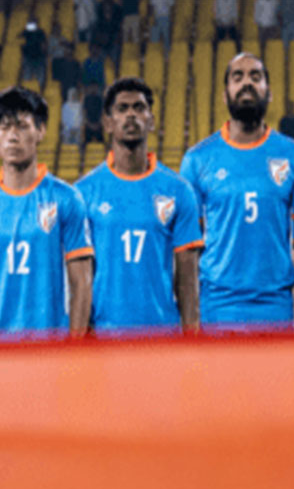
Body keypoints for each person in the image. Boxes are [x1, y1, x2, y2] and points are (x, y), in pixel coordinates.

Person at [179, 53, 294, 330]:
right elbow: (187, 249)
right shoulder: (197, 159)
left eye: (255, 77)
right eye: (238, 77)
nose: (246, 83)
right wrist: (190, 317)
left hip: (276, 306)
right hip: (218, 308)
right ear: (225, 95)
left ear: (269, 94)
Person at [0, 87, 93, 338]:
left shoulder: (66, 199)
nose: (13, 136)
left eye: (22, 126)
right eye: (4, 126)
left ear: (41, 130)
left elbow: (82, 282)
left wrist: (76, 350)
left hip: (49, 349)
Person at [77, 78, 202, 335]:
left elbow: (188, 281)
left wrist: (193, 341)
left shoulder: (178, 191)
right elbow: (80, 279)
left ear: (151, 121)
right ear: (108, 123)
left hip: (161, 337)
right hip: (104, 338)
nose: (131, 115)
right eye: (122, 109)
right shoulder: (83, 193)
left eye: (139, 108)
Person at [20, 19, 48, 84]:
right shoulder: (25, 32)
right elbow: (19, 40)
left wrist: (44, 54)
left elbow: (44, 45)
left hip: (39, 57)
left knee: (39, 77)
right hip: (28, 57)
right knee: (27, 77)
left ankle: (39, 88)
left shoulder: (40, 32)